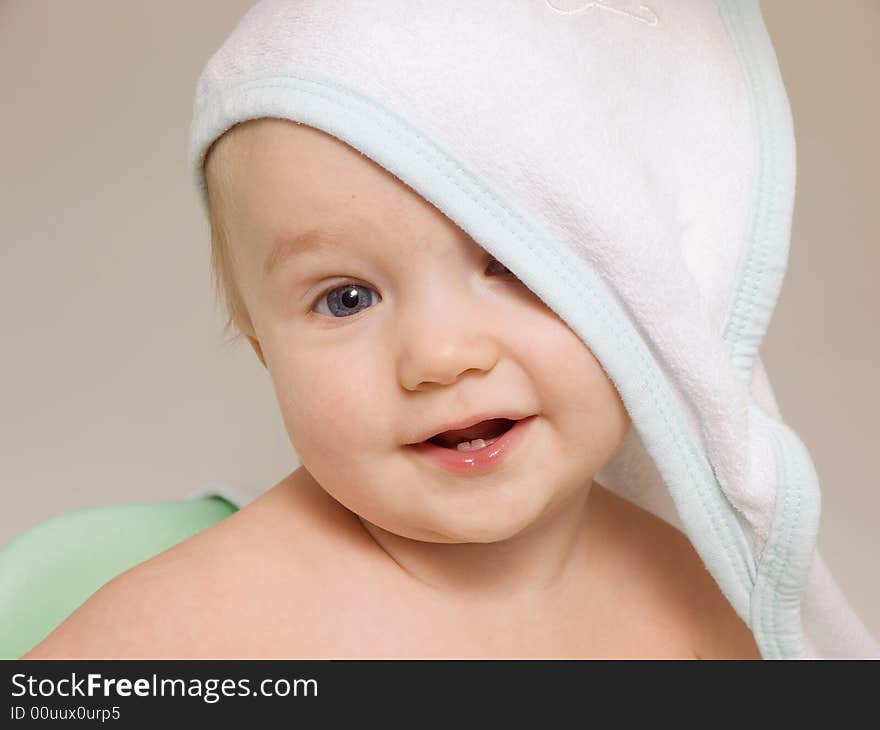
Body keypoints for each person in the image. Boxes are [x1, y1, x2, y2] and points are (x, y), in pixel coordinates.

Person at [22, 116, 760, 659]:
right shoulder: (196, 628)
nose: (441, 355)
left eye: (514, 263)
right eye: (347, 298)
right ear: (264, 354)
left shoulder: (698, 601)